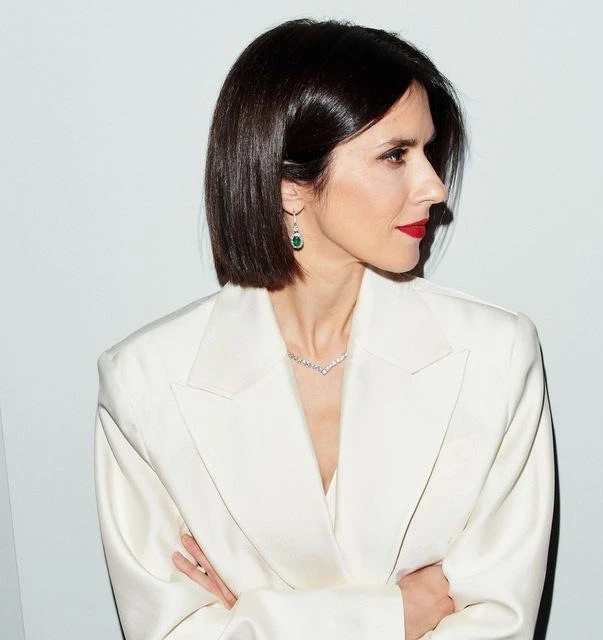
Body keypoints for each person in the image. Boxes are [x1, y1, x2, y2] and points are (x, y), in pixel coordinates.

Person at [93, 17, 555, 640]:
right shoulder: (145, 385)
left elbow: (500, 622)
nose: (435, 187)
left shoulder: (496, 357)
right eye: (395, 155)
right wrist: (397, 614)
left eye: (428, 151)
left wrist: (257, 619)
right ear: (289, 186)